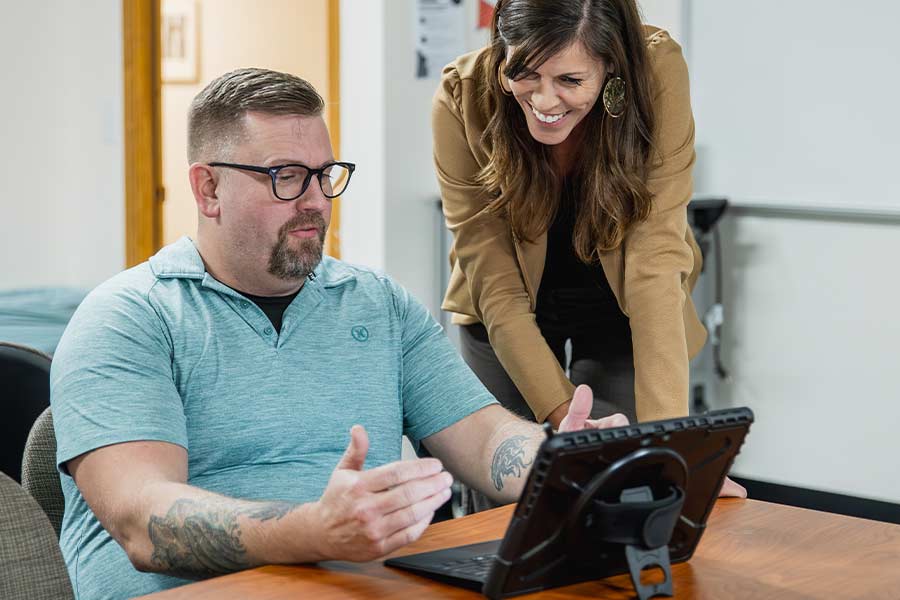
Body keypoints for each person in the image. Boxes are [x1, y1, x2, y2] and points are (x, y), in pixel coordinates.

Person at [49, 68, 627, 600]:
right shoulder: (127, 318)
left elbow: (481, 437)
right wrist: (313, 531)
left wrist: (562, 462)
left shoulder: (377, 303)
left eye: (325, 175)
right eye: (285, 177)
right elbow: (145, 524)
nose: (315, 202)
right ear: (208, 190)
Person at [433, 0, 709, 432]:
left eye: (570, 79)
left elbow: (654, 260)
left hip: (621, 304)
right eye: (524, 73)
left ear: (611, 66)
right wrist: (567, 420)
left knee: (621, 465)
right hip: (506, 310)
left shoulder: (655, 75)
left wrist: (672, 443)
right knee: (511, 473)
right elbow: (495, 283)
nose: (544, 100)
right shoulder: (463, 96)